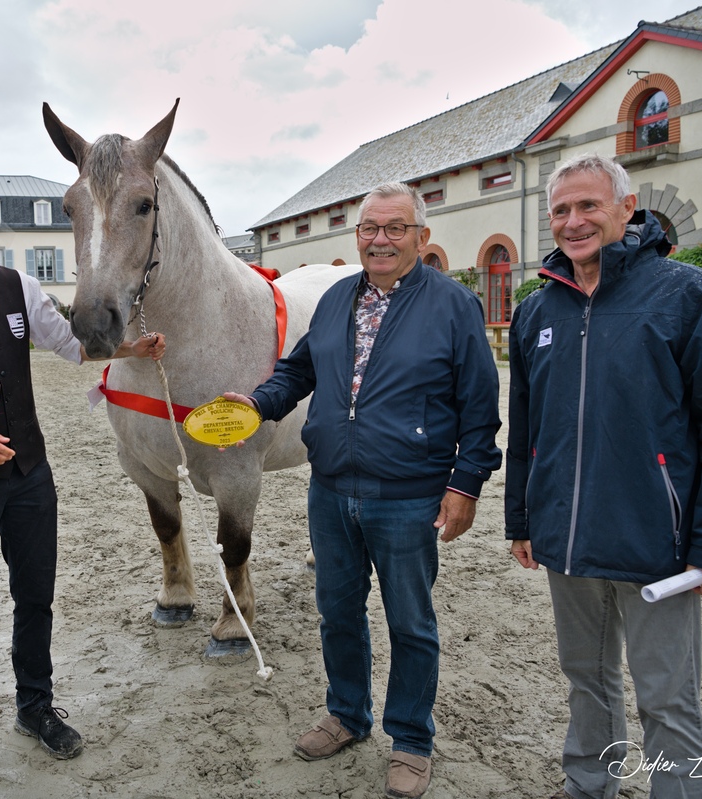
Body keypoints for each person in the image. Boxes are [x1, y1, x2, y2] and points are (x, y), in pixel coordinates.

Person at [222, 182, 502, 798]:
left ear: (420, 237)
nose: (380, 239)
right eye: (369, 228)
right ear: (358, 237)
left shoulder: (452, 305)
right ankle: (347, 713)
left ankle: (411, 739)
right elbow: (299, 371)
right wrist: (256, 404)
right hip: (331, 488)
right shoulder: (338, 300)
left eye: (395, 228)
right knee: (338, 612)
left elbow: (481, 408)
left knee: (410, 621)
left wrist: (466, 483)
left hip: (408, 494)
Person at [505, 153, 702, 799]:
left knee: (667, 698)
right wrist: (522, 519)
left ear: (627, 207)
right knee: (586, 679)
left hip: (658, 543)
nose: (573, 221)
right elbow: (527, 431)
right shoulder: (537, 312)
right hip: (566, 536)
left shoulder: (688, 294)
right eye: (561, 210)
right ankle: (587, 783)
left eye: (588, 205)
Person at [0, 169, 165, 799]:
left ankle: (35, 706)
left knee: (36, 600)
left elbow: (73, 347)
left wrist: (133, 348)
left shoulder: (18, 285)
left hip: (29, 475)